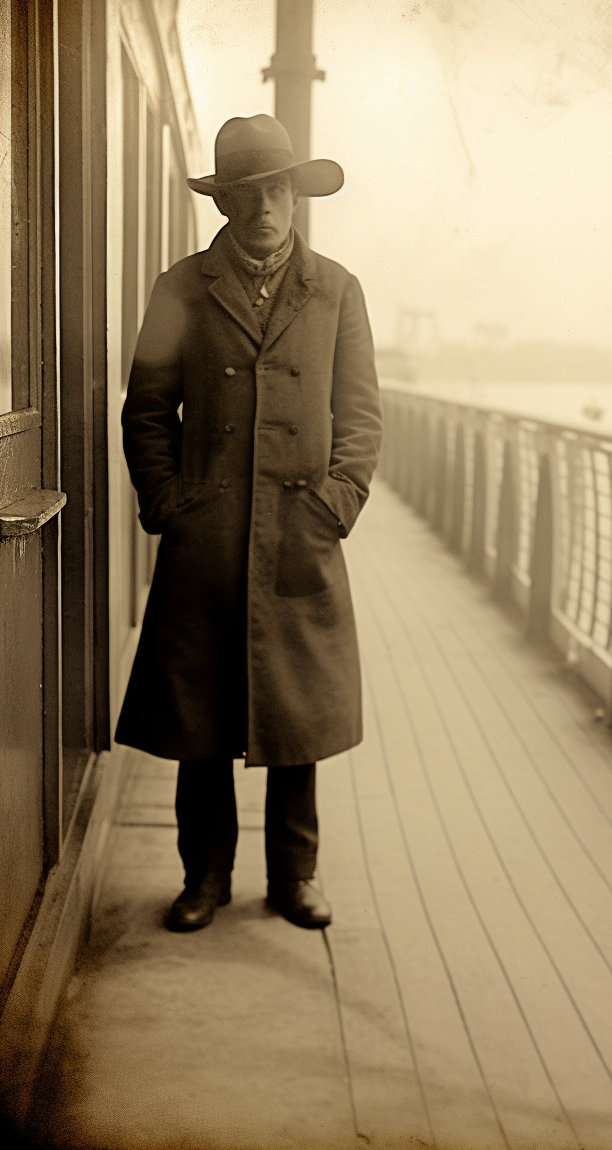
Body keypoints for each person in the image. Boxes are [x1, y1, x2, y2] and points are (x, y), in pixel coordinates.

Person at [116, 114, 381, 932]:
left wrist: (336, 503)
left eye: (276, 191)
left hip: (299, 530)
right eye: (247, 194)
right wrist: (168, 503)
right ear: (225, 203)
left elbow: (361, 415)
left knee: (295, 717)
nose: (265, 208)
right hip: (209, 535)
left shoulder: (337, 288)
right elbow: (147, 411)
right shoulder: (181, 288)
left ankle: (296, 877)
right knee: (201, 716)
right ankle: (204, 877)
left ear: (294, 196)